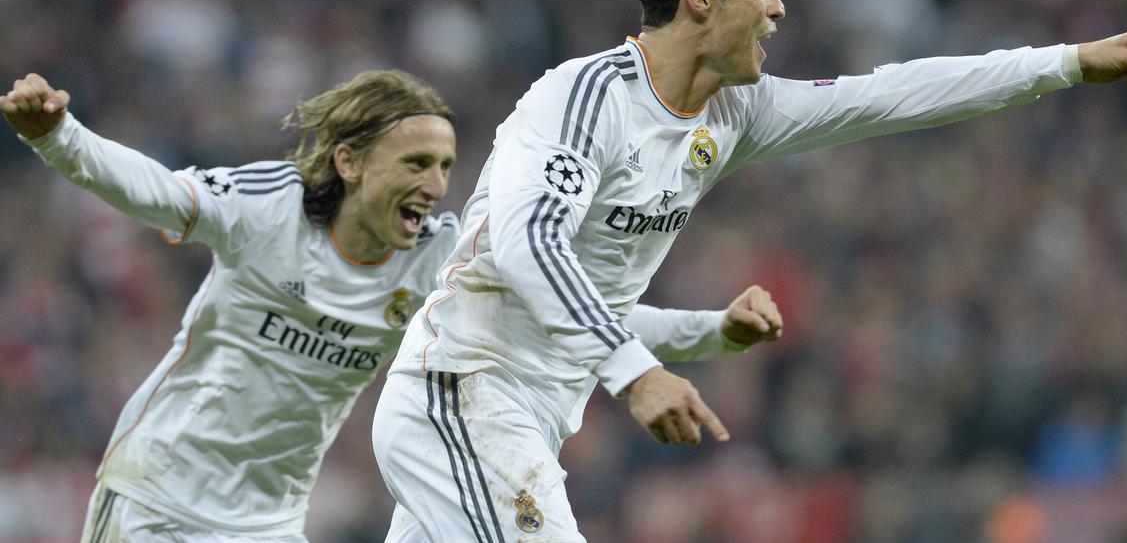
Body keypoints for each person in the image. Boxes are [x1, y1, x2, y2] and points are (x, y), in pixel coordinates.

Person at [372, 0, 1127, 542]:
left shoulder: (734, 112)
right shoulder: (581, 101)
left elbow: (889, 95)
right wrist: (634, 372)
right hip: (463, 394)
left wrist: (1063, 62)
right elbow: (526, 247)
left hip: (512, 417)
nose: (779, 9)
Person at [1, 68, 783, 542]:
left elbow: (566, 313)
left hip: (266, 525)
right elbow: (150, 190)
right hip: (157, 499)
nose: (437, 185)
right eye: (415, 161)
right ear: (349, 160)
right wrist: (56, 135)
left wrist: (713, 330)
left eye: (445, 165)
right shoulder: (270, 210)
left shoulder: (440, 260)